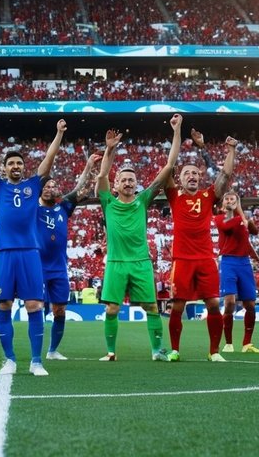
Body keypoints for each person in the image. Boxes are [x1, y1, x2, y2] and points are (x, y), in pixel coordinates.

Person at [0, 113, 67, 376]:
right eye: (11, 163)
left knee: (34, 305)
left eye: (19, 163)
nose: (15, 166)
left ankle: (36, 361)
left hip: (29, 254)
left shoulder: (33, 185)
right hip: (4, 253)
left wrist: (58, 134)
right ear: (4, 168)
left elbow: (48, 162)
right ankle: (11, 359)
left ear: (23, 167)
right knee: (3, 306)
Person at [96, 114, 183, 363]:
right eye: (123, 179)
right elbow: (102, 177)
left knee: (152, 308)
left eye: (131, 180)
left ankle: (157, 351)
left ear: (136, 185)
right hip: (115, 262)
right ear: (116, 185)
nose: (127, 182)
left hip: (141, 262)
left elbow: (168, 167)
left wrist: (176, 131)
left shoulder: (143, 200)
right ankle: (111, 352)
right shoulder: (108, 202)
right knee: (111, 309)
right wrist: (109, 150)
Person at [163, 129, 236, 362]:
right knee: (177, 306)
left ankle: (214, 351)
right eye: (187, 173)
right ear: (180, 178)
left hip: (205, 259)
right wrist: (176, 131)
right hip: (182, 260)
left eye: (195, 173)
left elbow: (225, 175)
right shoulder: (174, 196)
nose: (192, 176)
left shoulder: (208, 196)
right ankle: (175, 349)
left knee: (214, 304)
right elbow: (169, 165)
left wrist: (228, 149)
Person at [36, 147, 99, 361]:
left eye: (53, 185)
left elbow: (80, 187)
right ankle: (36, 349)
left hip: (59, 268)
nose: (50, 188)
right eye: (45, 185)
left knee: (59, 310)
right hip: (38, 267)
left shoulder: (63, 207)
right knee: (39, 309)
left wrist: (89, 165)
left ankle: (52, 350)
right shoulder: (33, 209)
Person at [217, 190, 259, 355]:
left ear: (238, 203)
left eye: (233, 199)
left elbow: (254, 233)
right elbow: (228, 226)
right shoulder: (220, 218)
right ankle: (228, 343)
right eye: (227, 199)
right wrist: (241, 215)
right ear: (222, 203)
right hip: (228, 261)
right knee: (229, 302)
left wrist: (257, 259)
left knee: (250, 304)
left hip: (244, 263)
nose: (229, 201)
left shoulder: (243, 221)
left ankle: (247, 343)